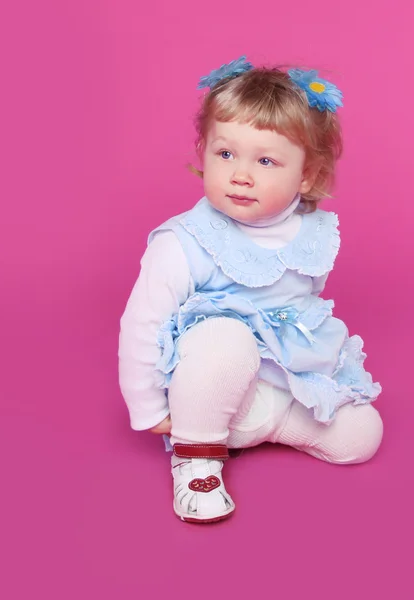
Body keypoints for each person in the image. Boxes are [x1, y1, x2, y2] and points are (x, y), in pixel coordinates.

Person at [118, 56, 383, 523]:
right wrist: (148, 408)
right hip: (206, 385)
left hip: (279, 384)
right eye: (225, 154)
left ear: (306, 175)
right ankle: (198, 452)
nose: (241, 174)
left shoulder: (311, 235)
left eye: (265, 160)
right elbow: (142, 323)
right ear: (203, 151)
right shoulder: (184, 241)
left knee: (363, 436)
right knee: (224, 336)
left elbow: (303, 305)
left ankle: (267, 425)